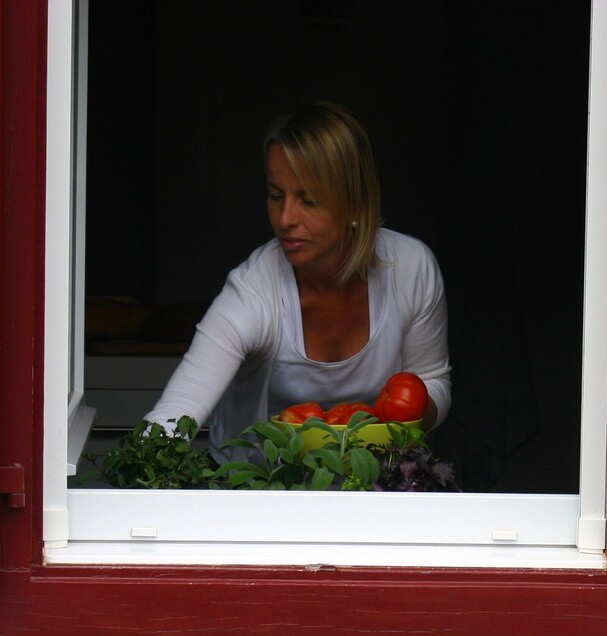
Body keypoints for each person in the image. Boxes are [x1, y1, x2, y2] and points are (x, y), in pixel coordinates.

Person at [144, 100, 451, 462]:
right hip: (257, 491)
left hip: (369, 488)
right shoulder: (254, 292)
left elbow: (434, 382)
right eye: (276, 196)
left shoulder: (411, 268)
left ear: (355, 204)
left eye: (309, 200)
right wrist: (141, 468)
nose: (285, 218)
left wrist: (396, 419)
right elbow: (176, 414)